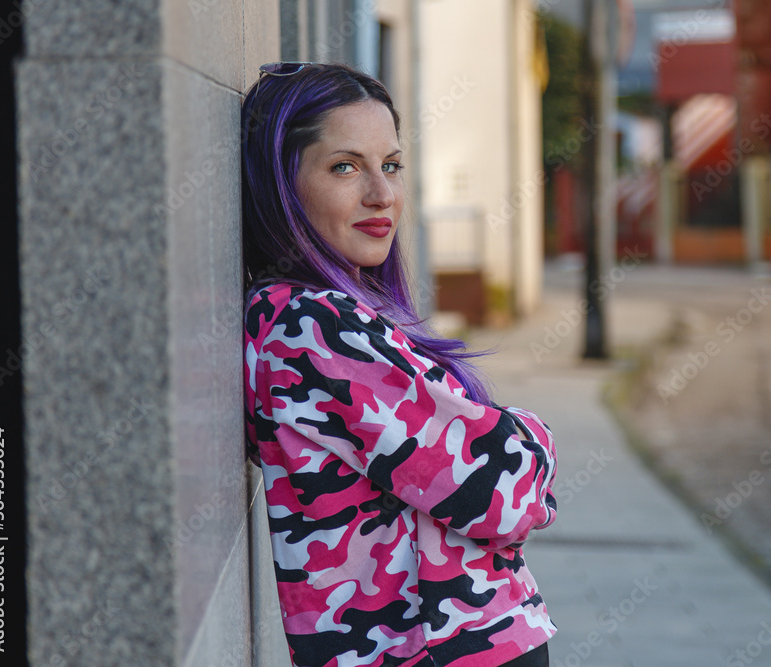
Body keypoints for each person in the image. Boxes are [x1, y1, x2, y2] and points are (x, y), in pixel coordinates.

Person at [240, 62, 559, 667]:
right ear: (281, 183)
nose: (381, 194)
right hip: (437, 649)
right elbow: (504, 489)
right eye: (345, 166)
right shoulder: (311, 327)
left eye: (390, 165)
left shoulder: (309, 316)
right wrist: (533, 437)